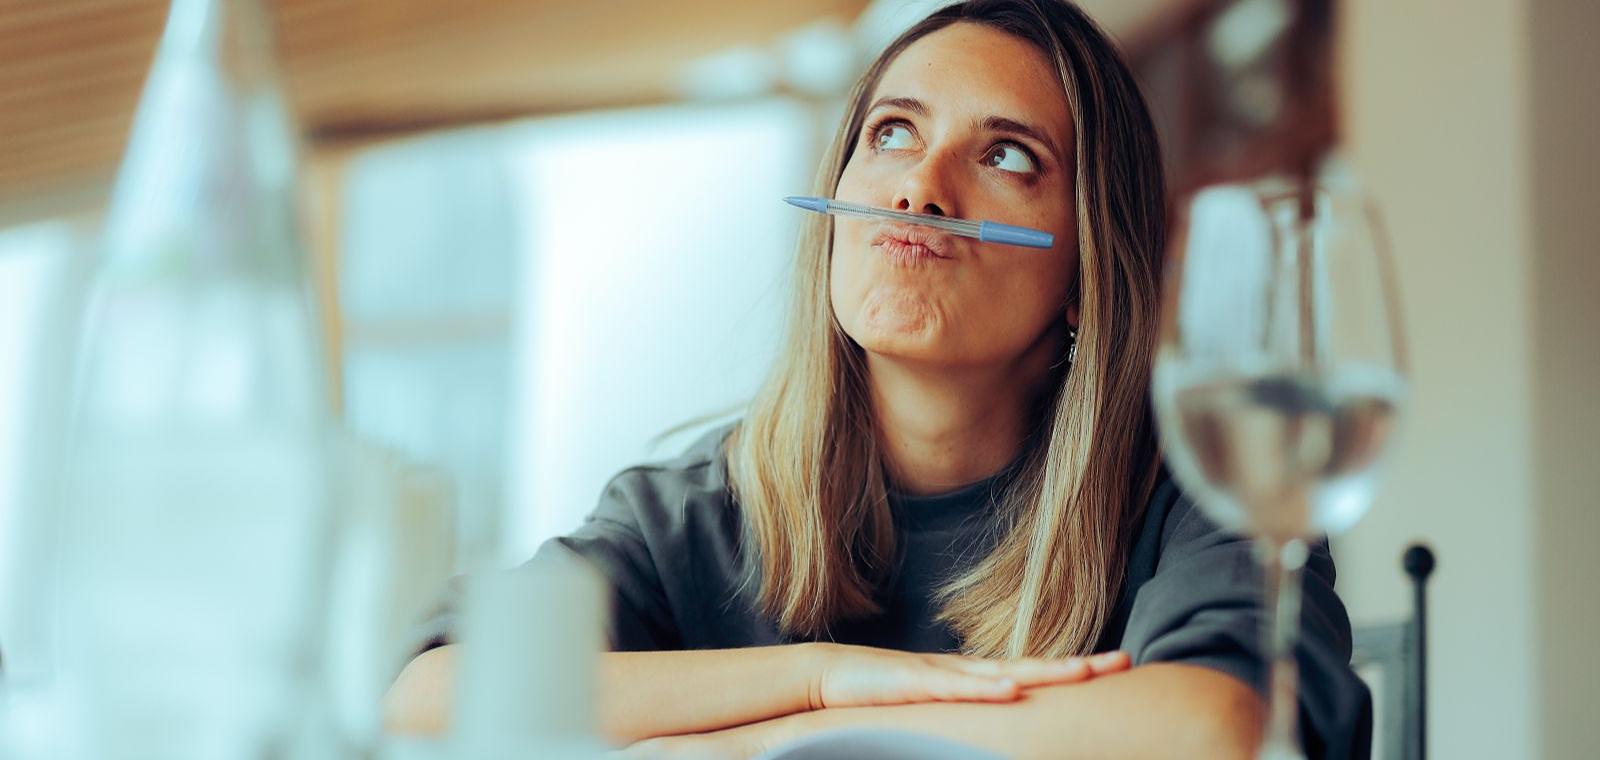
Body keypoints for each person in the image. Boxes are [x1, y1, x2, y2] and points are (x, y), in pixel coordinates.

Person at [384, 1, 1372, 757]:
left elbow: (1209, 726)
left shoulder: (1197, 488)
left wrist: (748, 736)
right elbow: (429, 697)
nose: (919, 187)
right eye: (892, 132)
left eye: (1005, 155)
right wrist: (820, 680)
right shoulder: (695, 509)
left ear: (1085, 274)